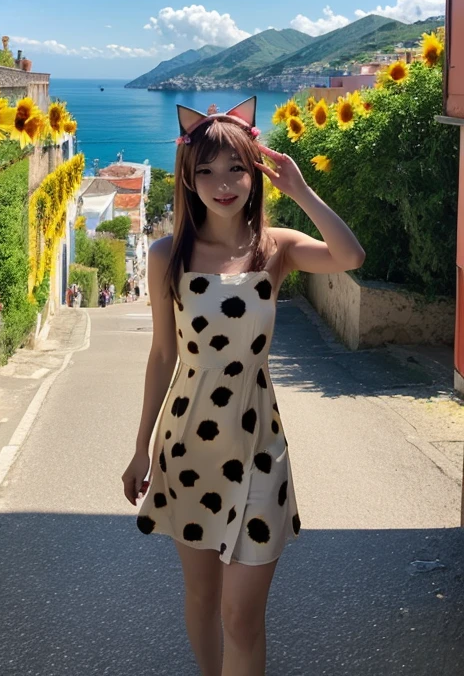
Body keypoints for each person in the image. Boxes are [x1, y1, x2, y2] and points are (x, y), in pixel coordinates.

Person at [122, 97, 365, 676]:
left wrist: (301, 191)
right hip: (187, 445)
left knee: (242, 614)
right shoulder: (166, 256)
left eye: (235, 167)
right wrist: (140, 448)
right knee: (203, 598)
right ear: (187, 177)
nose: (221, 183)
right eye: (204, 170)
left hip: (260, 447)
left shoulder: (274, 247)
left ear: (255, 172)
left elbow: (350, 256)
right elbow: (162, 356)